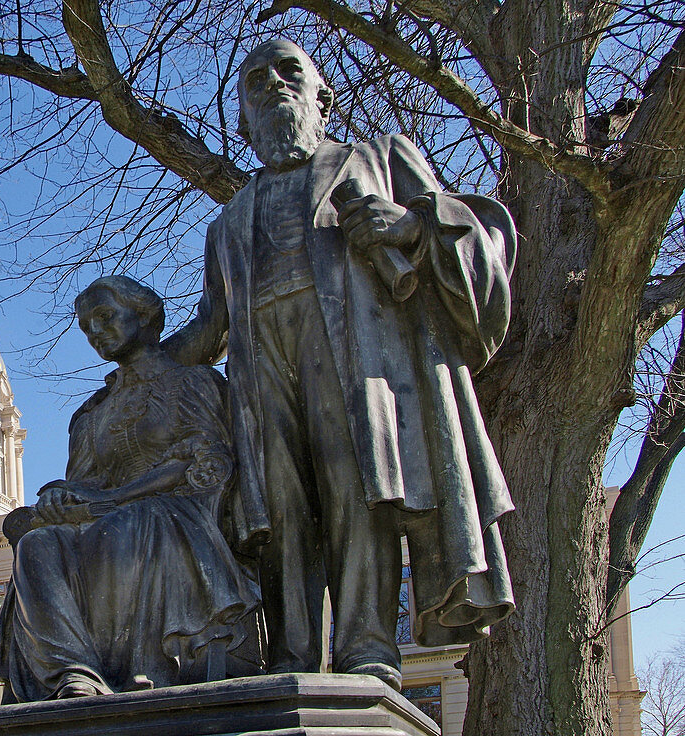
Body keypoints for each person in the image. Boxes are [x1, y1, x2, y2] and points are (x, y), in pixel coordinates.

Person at [164, 39, 517, 689]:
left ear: (323, 99)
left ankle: (366, 645)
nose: (272, 84)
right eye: (254, 80)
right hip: (263, 372)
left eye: (289, 71)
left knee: (358, 492)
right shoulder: (228, 223)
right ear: (241, 120)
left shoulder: (378, 161)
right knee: (282, 512)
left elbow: (476, 236)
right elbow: (210, 325)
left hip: (357, 360)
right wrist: (143, 366)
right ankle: (294, 652)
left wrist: (411, 225)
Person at [0, 276, 259, 702]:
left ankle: (150, 667)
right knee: (37, 545)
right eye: (87, 328)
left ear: (145, 316)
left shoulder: (193, 383)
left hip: (180, 512)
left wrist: (112, 498)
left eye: (105, 317)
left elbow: (208, 463)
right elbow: (86, 482)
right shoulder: (92, 413)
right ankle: (74, 676)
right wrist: (62, 496)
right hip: (108, 516)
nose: (96, 334)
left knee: (129, 523)